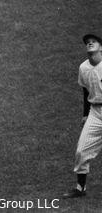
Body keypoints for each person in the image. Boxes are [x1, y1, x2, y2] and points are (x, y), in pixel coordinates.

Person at [63, 34, 102, 198]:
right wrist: (85, 115)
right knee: (81, 151)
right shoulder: (83, 68)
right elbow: (86, 90)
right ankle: (80, 189)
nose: (89, 43)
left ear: (101, 47)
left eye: (93, 41)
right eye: (87, 42)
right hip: (95, 112)